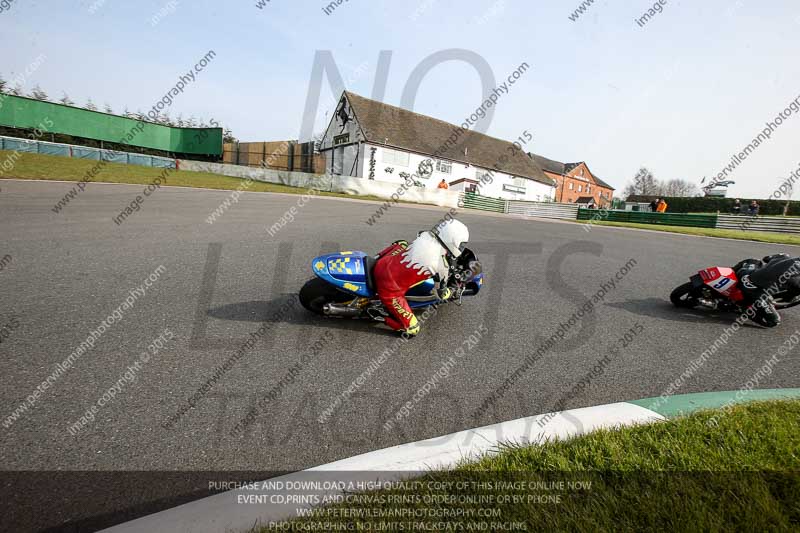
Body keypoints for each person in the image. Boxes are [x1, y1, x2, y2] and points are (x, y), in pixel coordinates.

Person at [372, 219, 469, 336]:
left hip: (383, 263)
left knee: (402, 243)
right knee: (413, 330)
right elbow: (440, 294)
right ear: (453, 239)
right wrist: (452, 290)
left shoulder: (424, 235)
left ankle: (376, 257)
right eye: (462, 244)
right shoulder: (441, 267)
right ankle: (380, 315)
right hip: (389, 289)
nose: (461, 247)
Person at [734, 254, 800, 327]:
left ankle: (730, 274)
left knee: (754, 261)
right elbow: (794, 289)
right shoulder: (796, 279)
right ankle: (743, 308)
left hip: (745, 274)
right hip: (753, 290)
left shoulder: (785, 256)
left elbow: (766, 258)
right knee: (774, 322)